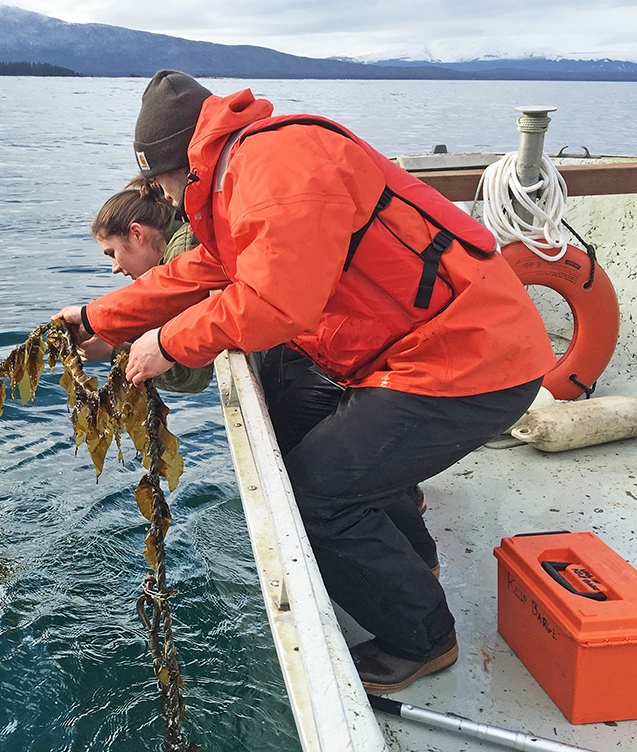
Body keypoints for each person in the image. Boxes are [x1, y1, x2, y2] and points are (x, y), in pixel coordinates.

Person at [54, 70, 555, 693]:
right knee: (345, 463)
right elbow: (195, 271)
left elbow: (273, 303)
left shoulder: (275, 164)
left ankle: (423, 639)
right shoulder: (244, 170)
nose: (161, 195)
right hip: (423, 353)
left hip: (471, 360)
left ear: (182, 159)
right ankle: (416, 563)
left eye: (157, 178)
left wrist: (165, 342)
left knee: (318, 492)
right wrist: (93, 317)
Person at [82, 178, 213, 394]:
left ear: (137, 233)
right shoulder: (183, 238)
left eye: (112, 254)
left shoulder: (186, 248)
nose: (114, 268)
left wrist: (113, 350)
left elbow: (192, 375)